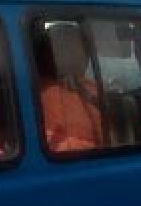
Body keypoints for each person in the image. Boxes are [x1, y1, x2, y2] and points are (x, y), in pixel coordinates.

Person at [36, 25, 104, 153]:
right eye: (72, 49)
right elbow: (58, 147)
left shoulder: (88, 85)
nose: (84, 57)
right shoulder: (41, 95)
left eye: (84, 50)